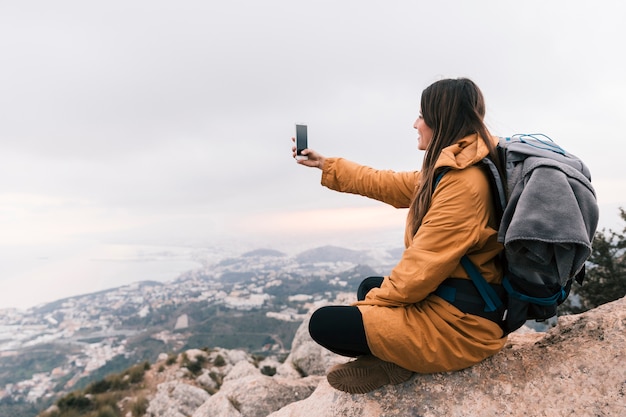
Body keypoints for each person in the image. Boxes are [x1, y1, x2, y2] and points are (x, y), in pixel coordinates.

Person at [291, 78, 508, 394]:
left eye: (422, 116)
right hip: (456, 300)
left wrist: (367, 309)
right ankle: (395, 356)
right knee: (370, 287)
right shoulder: (456, 167)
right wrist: (325, 164)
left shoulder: (464, 185)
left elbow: (419, 271)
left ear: (441, 119)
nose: (415, 124)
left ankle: (400, 359)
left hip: (463, 327)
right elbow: (385, 182)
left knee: (326, 324)